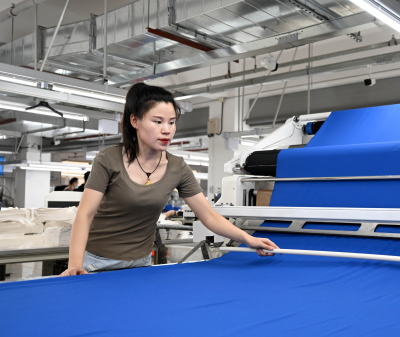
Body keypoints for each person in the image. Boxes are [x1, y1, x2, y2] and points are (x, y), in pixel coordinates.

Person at [60, 83, 277, 276]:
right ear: (135, 121)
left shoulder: (177, 167)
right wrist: (75, 265)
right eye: (158, 121)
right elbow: (85, 214)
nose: (167, 130)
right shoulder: (108, 159)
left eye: (172, 122)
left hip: (141, 264)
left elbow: (209, 216)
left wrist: (247, 239)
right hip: (97, 263)